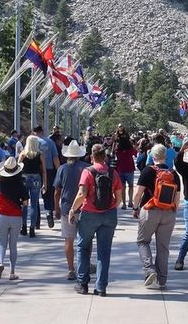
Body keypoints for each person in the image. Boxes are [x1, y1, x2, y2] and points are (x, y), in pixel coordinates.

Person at [69, 144, 122, 296]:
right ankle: (101, 287)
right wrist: (111, 208)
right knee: (104, 252)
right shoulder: (113, 172)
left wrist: (73, 210)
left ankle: (82, 283)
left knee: (83, 247)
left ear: (91, 157)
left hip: (89, 215)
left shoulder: (88, 172)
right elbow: (119, 197)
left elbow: (81, 194)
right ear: (105, 156)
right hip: (109, 215)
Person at [133, 144, 181, 289]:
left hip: (150, 210)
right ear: (165, 156)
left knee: (143, 241)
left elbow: (137, 194)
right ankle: (162, 279)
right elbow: (177, 198)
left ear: (152, 156)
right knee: (163, 247)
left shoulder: (148, 171)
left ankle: (149, 270)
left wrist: (135, 208)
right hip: (168, 213)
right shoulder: (173, 174)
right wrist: (173, 211)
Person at [54, 140, 91, 280]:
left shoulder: (62, 169)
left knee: (68, 239)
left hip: (66, 207)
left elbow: (57, 191)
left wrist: (56, 208)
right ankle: (85, 266)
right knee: (86, 239)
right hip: (85, 207)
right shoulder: (88, 168)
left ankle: (71, 269)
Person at [0, 156, 28, 281]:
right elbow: (26, 203)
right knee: (13, 245)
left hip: (1, 216)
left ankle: (0, 263)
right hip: (16, 216)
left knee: (1, 243)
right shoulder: (21, 184)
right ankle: (12, 272)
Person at [18, 135, 46, 237]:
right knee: (34, 204)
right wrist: (45, 184)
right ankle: (32, 228)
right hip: (36, 179)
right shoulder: (40, 155)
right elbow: (44, 171)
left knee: (24, 203)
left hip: (24, 179)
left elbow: (18, 169)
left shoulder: (23, 154)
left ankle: (24, 226)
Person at [113, 126, 137, 209]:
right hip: (130, 168)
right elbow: (136, 153)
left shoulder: (117, 150)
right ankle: (130, 202)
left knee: (122, 187)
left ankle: (124, 204)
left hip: (120, 169)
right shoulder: (130, 149)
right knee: (130, 186)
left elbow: (113, 152)